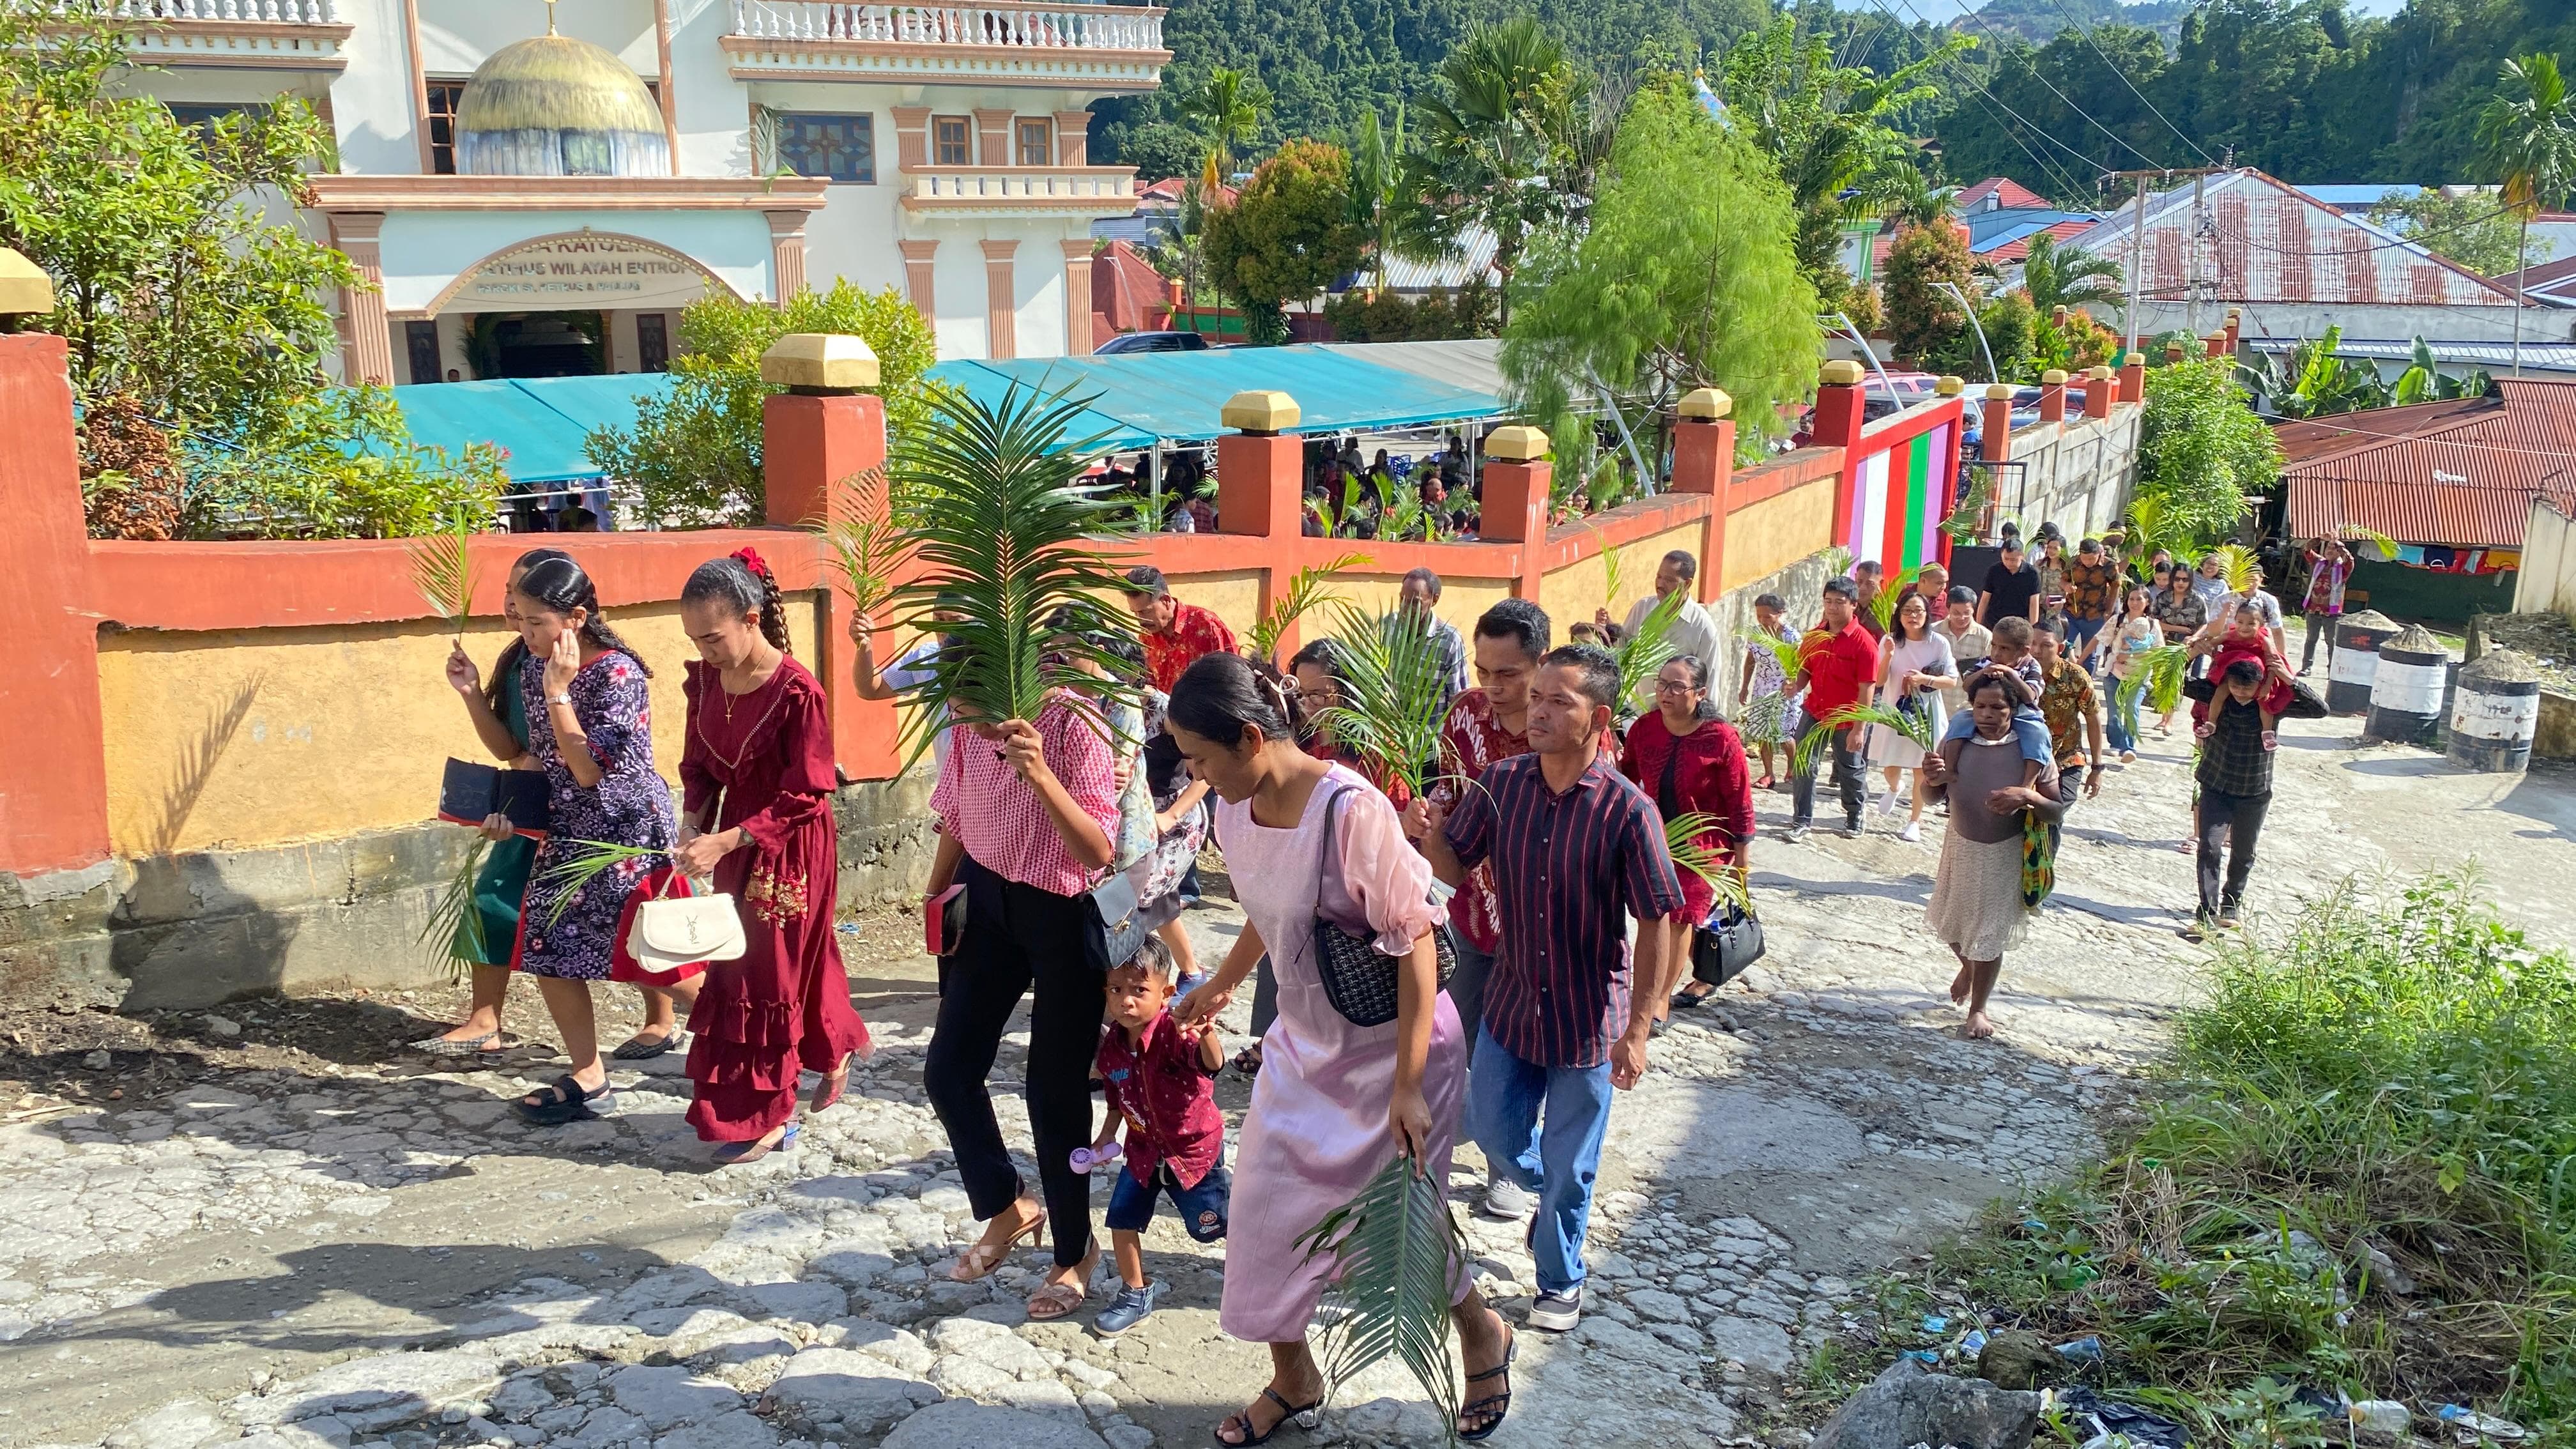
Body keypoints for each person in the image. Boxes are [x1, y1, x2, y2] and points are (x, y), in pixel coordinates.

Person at [1165, 654, 1517, 1446]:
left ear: (1251, 737)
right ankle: (1295, 1376)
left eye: (1199, 758)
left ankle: (1480, 1331)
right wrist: (1222, 984)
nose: (1193, 774)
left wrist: (1409, 1085)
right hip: (1306, 1045)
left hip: (1398, 1050)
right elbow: (1271, 906)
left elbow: (1419, 941)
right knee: (1258, 1210)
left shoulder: (1349, 810)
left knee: (1400, 1221)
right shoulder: (1234, 808)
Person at [1409, 645, 1686, 1333]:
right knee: (1495, 1132)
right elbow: (1451, 867)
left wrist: (1639, 1029)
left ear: (1599, 717)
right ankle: (1549, 1193)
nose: (1537, 710)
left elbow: (1655, 920)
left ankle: (1559, 1278)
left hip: (1587, 1021)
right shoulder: (1500, 785)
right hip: (1510, 1005)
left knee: (1572, 1165)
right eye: (1538, 697)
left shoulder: (1629, 810)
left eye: (1558, 702)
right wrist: (1427, 836)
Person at [919, 648, 1122, 1321]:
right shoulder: (965, 723)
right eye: (954, 704)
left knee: (1052, 1094)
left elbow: (1099, 851)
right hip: (986, 900)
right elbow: (954, 813)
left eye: (971, 705)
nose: (962, 720)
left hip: (1063, 912)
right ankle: (1008, 1206)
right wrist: (933, 891)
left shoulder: (1071, 723)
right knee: (948, 1071)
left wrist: (1038, 774)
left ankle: (1074, 1251)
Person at [674, 551, 871, 1164]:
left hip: (790, 845)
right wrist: (691, 823)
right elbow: (700, 766)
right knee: (755, 962)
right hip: (732, 837)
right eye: (695, 639)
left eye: (713, 636)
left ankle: (770, 1114)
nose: (705, 649)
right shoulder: (705, 680)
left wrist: (729, 838)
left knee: (768, 971)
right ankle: (829, 1049)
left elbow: (808, 793)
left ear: (751, 618)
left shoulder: (797, 692)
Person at [507, 556, 684, 1124]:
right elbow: (541, 758)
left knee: (657, 956)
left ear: (576, 617)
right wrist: (506, 810)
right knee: (547, 949)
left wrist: (559, 693)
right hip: (568, 829)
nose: (524, 631)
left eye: (537, 622)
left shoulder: (618, 675)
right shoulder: (536, 670)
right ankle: (589, 1073)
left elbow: (588, 770)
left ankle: (765, 1045)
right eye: (521, 619)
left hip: (624, 831)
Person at [422, 547, 571, 1057]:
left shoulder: (597, 664)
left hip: (585, 810)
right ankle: (485, 1020)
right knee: (494, 894)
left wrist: (542, 763)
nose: (510, 601)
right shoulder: (518, 661)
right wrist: (470, 694)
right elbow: (510, 749)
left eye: (522, 591)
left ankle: (670, 1015)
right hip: (530, 806)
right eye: (508, 590)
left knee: (620, 914)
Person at [1427, 599, 1549, 1217]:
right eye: (1484, 672)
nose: (1493, 688)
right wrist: (1430, 823)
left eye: (1509, 674)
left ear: (1541, 665)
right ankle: (1441, 1159)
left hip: (1541, 923)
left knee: (1525, 1043)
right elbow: (1447, 793)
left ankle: (1509, 1165)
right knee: (1457, 1035)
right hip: (1471, 913)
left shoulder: (1566, 726)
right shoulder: (1466, 715)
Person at [1089, 933, 1228, 1338]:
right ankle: (1135, 1292)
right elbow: (1116, 1098)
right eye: (1117, 990)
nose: (1126, 1001)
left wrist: (1206, 1033)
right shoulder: (1111, 1047)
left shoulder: (1175, 1032)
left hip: (1193, 1150)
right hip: (1143, 1151)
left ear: (1165, 993)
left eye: (1139, 990)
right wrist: (1104, 1137)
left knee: (1211, 1227)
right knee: (1121, 1218)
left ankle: (1257, 1265)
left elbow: (1211, 1065)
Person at [1920, 669, 2065, 1039]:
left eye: (1997, 708)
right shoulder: (1958, 741)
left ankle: (1978, 1009)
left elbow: (2056, 810)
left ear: (2011, 711)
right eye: (1980, 706)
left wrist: (2028, 797)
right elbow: (1933, 797)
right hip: (1961, 845)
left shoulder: (2031, 748)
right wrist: (1930, 779)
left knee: (1990, 935)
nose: (1987, 714)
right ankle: (1969, 968)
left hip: (2005, 851)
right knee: (1948, 923)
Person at [1623, 655, 1754, 1016]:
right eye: (1662, 684)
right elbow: (1626, 777)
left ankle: (1657, 1002)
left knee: (1680, 917)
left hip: (1702, 846)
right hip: (1654, 837)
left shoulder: (1720, 737)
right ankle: (1667, 983)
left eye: (1677, 687)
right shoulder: (1644, 728)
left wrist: (1742, 860)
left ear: (1700, 693)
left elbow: (1739, 798)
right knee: (1655, 917)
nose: (1665, 693)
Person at [2180, 658, 2274, 939]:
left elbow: (2319, 709)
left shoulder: (2272, 704)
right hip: (2216, 785)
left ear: (2259, 685)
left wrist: (2287, 679)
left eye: (2247, 688)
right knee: (2209, 847)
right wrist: (2190, 655)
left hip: (2253, 790)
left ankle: (2231, 905)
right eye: (2235, 687)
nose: (2241, 693)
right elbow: (2181, 685)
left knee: (2244, 852)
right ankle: (2206, 913)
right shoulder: (2217, 696)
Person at [1783, 577, 1878, 842]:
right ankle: (1801, 820)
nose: (1833, 608)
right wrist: (1796, 685)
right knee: (1804, 764)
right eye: (1828, 601)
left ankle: (1854, 814)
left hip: (1847, 717)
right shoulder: (1815, 635)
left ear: (1853, 605)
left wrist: (1859, 729)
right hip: (1815, 711)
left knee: (1849, 768)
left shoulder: (1864, 642)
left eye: (1839, 602)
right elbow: (1805, 668)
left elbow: (1867, 688)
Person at [1867, 591, 1956, 844]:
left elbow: (1951, 680)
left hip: (1926, 713)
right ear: (1899, 614)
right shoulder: (1890, 640)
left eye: (1918, 611)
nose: (1913, 616)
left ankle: (1914, 821)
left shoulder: (1938, 643)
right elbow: (1880, 681)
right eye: (1907, 611)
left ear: (1927, 615)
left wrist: (1924, 679)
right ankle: (1895, 788)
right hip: (1895, 711)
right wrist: (1889, 656)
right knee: (1890, 766)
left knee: (1921, 769)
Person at [1601, 551, 1722, 710]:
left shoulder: (1703, 628)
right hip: (1638, 716)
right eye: (1659, 577)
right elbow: (1623, 653)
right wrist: (1609, 630)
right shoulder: (1642, 609)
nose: (1660, 584)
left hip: (1680, 724)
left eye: (1670, 580)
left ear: (1687, 584)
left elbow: (1710, 686)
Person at [1121, 565, 1238, 693]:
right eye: (1135, 613)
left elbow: (1233, 678)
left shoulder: (1207, 625)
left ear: (1165, 601)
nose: (1140, 620)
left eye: (1145, 612)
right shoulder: (1146, 635)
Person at [2029, 622, 2107, 808]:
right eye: (2032, 643)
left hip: (2065, 758)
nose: (2037, 650)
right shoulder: (2018, 671)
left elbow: (2093, 718)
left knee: (2055, 810)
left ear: (2060, 647)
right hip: (2024, 759)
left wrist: (2097, 768)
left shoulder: (2075, 677)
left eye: (2046, 645)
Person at [1738, 594, 1802, 790]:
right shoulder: (1756, 634)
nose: (1763, 621)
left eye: (1768, 616)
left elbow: (1800, 665)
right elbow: (1750, 661)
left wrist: (1793, 683)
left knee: (1783, 735)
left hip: (1786, 690)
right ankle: (1769, 774)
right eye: (1759, 616)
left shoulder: (1791, 637)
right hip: (1762, 688)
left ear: (1780, 614)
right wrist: (1744, 687)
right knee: (1764, 733)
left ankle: (1792, 768)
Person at [1384, 567, 1470, 707]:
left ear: (1434, 600)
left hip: (1432, 728)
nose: (1406, 607)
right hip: (1395, 727)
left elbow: (1459, 700)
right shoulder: (1390, 627)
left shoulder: (1449, 641)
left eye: (1415, 602)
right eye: (1403, 599)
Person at [2096, 585, 2162, 763]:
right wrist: (2080, 662)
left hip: (2138, 675)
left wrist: (2132, 655)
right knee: (2114, 712)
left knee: (2132, 710)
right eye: (2131, 599)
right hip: (2114, 673)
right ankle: (2116, 744)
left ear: (2147, 602)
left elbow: (2158, 651)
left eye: (2139, 599)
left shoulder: (2152, 625)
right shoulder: (2118, 620)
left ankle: (2129, 747)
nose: (2134, 603)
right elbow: (2099, 639)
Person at [2145, 566, 2209, 735]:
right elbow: (2153, 621)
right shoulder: (2162, 598)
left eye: (2185, 579)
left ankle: (2169, 721)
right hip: (2162, 643)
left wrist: (2194, 637)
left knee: (2175, 678)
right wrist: (2178, 629)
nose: (2180, 583)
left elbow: (2204, 623)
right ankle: (2164, 717)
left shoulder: (2197, 600)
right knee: (2161, 680)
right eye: (2177, 579)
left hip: (2185, 647)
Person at [1930, 586, 1992, 721]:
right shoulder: (1933, 632)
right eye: (1956, 613)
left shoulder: (1985, 637)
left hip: (1967, 709)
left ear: (1974, 611)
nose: (1962, 617)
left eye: (1967, 613)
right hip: (1936, 706)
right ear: (1948, 609)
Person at [2297, 537, 2354, 676]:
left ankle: (2332, 671)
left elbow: (2350, 561)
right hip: (2313, 608)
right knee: (2311, 639)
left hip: (2331, 611)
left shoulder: (2343, 568)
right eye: (2328, 547)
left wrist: (2339, 546)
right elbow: (2307, 551)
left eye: (2333, 549)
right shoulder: (2319, 562)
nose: (2329, 551)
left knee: (2331, 642)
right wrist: (2318, 540)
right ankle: (2307, 667)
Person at [2060, 539, 2119, 656]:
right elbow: (2062, 580)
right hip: (2071, 612)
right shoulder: (2073, 563)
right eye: (2084, 558)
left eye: (2092, 559)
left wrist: (2109, 610)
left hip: (2095, 615)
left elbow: (2116, 586)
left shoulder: (2109, 566)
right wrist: (2066, 586)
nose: (2088, 562)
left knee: (2088, 653)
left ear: (2099, 554)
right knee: (2064, 646)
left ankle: (2087, 673)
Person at [1976, 539, 2043, 629]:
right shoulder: (1995, 571)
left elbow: (2034, 604)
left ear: (2022, 556)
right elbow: (1985, 599)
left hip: (2019, 624)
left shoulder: (2032, 574)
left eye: (2013, 560)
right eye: (2006, 559)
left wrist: (2033, 629)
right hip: (1995, 623)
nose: (2009, 563)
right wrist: (1978, 625)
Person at [2032, 532, 2069, 632]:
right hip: (2039, 610)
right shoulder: (2039, 564)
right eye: (2050, 547)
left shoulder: (2067, 568)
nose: (2051, 551)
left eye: (2055, 548)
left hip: (2057, 612)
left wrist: (2064, 601)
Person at [1852, 560, 1888, 641]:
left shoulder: (1886, 613)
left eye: (1870, 584)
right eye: (1859, 581)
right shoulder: (1847, 605)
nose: (1862, 588)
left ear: (1881, 583)